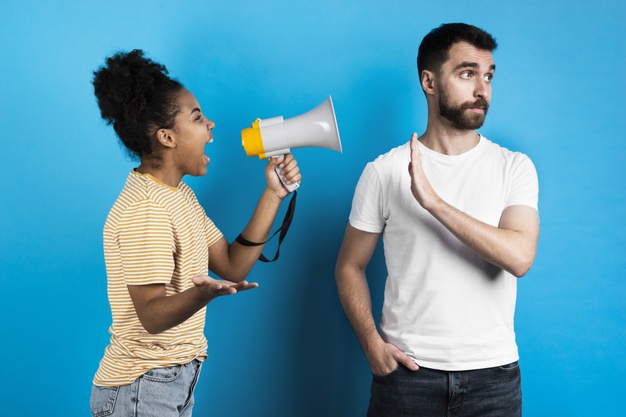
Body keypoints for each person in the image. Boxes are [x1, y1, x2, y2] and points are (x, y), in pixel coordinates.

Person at [335, 23, 539, 417]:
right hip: (407, 377)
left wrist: (434, 203)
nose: (483, 89)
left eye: (489, 76)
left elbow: (518, 257)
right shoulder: (384, 171)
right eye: (467, 74)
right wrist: (370, 343)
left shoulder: (515, 167)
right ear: (429, 82)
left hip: (493, 380)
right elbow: (349, 265)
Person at [89, 49, 301, 417]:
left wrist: (273, 194)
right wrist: (202, 295)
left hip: (169, 380)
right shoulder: (146, 209)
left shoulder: (179, 196)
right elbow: (152, 316)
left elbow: (233, 266)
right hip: (141, 386)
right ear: (167, 137)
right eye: (198, 117)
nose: (211, 125)